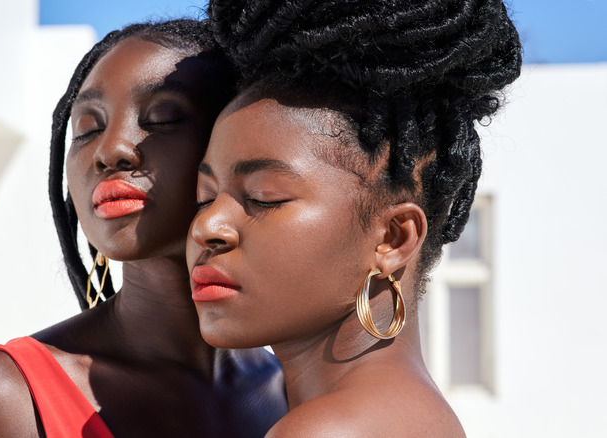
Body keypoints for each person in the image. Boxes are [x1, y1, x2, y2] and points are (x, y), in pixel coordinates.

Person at [0, 19, 287, 437]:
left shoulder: (292, 387)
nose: (111, 151)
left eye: (162, 118)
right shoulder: (0, 398)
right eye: (88, 128)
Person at [187, 1, 522, 436]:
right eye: (204, 197)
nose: (206, 227)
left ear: (393, 239)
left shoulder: (327, 430)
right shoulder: (409, 415)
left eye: (263, 198)